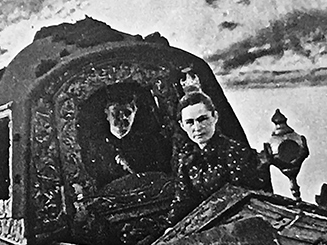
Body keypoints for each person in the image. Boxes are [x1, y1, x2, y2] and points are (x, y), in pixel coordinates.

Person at [168, 91, 269, 224]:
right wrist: (171, 226)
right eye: (190, 122)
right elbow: (183, 201)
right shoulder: (187, 158)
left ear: (215, 117)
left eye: (202, 119)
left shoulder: (235, 151)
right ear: (182, 125)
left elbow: (245, 198)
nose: (197, 128)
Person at [84, 91, 171, 189]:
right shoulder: (96, 148)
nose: (122, 118)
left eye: (127, 113)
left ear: (134, 113)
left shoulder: (150, 143)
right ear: (106, 114)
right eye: (116, 112)